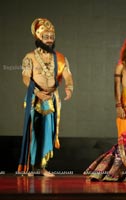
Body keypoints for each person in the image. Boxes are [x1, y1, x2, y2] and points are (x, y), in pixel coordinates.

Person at [17, 18, 74, 177]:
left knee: (48, 133)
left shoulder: (61, 58)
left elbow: (68, 75)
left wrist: (69, 87)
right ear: (38, 38)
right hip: (35, 99)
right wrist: (36, 92)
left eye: (51, 36)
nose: (49, 39)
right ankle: (31, 168)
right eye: (46, 36)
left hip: (51, 99)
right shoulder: (30, 57)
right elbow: (26, 77)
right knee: (34, 132)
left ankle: (42, 168)